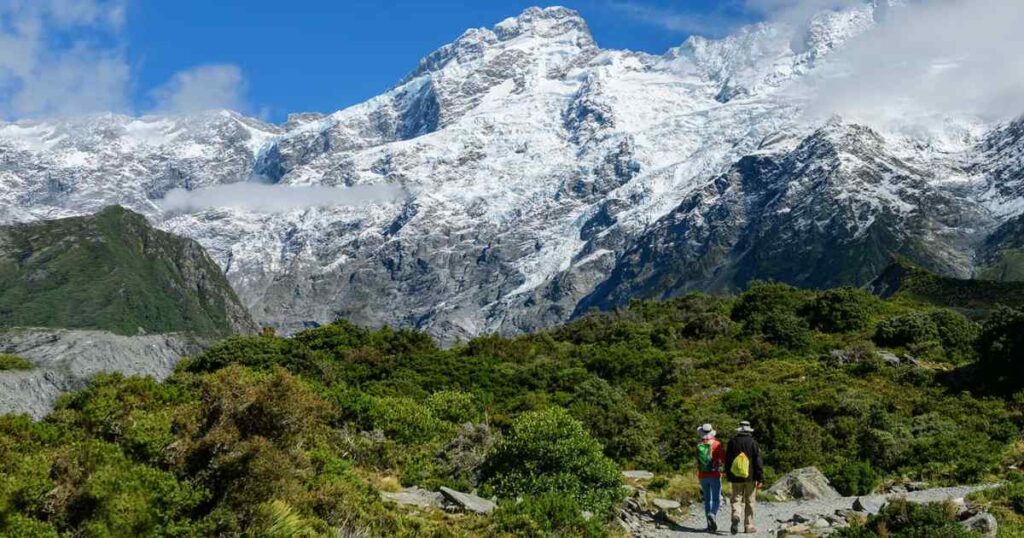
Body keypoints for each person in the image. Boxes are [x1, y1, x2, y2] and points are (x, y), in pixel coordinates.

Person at [725, 421, 764, 535]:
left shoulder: (732, 442)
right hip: (750, 477)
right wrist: (760, 478)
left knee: (736, 498)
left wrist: (729, 475)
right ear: (748, 431)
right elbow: (758, 461)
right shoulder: (753, 443)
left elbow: (728, 461)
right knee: (750, 501)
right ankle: (748, 526)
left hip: (736, 477)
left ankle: (736, 515)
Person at [696, 424, 725, 532]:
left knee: (707, 499)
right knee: (716, 499)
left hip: (702, 475)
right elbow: (723, 458)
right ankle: (712, 514)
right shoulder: (717, 444)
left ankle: (709, 526)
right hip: (714, 475)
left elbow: (697, 460)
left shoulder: (699, 445)